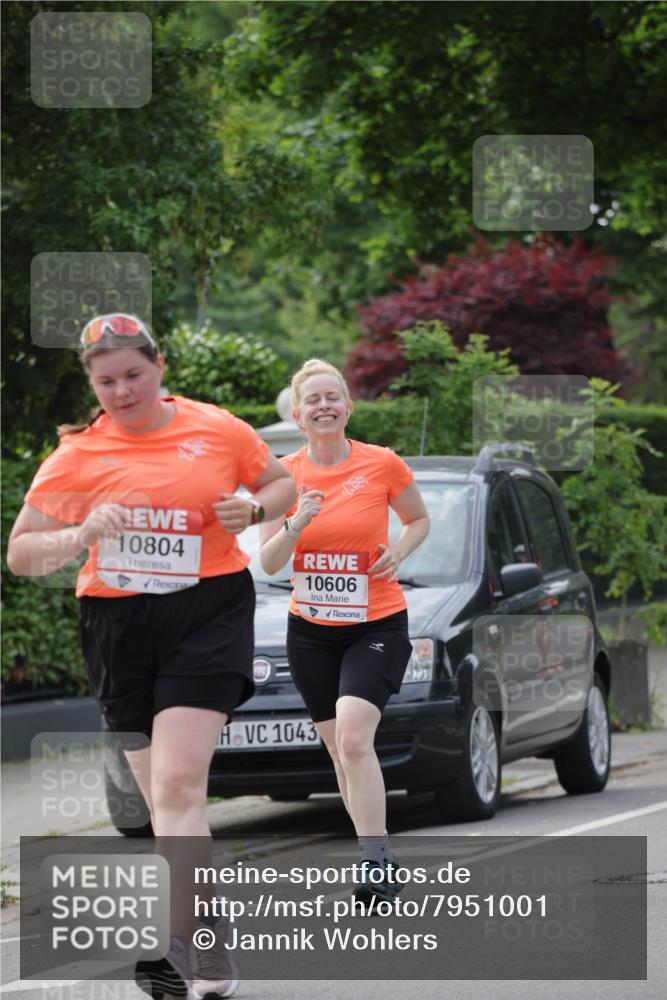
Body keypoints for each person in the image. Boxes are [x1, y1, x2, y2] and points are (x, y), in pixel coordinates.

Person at [7, 313, 296, 999]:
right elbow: (20, 554)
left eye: (134, 375)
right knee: (160, 802)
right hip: (118, 624)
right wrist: (79, 533)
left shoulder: (216, 429)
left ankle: (183, 947)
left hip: (207, 611)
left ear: (159, 367)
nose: (122, 391)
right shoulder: (76, 456)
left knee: (177, 785)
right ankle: (205, 929)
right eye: (106, 381)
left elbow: (281, 484)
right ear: (91, 383)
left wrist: (254, 513)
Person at [259, 359, 429, 903]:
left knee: (355, 737)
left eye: (332, 397)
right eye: (313, 400)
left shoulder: (381, 463)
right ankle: (376, 851)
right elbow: (268, 561)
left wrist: (397, 552)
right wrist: (296, 523)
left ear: (348, 407)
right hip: (310, 631)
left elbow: (418, 519)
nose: (324, 406)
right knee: (340, 753)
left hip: (376, 622)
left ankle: (374, 862)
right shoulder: (282, 477)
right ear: (298, 415)